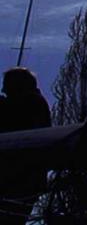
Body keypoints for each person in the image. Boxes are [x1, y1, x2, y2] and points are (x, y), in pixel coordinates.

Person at [0, 67, 51, 225]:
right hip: (19, 176)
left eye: (7, 86)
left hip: (20, 176)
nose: (3, 89)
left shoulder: (32, 103)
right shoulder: (33, 103)